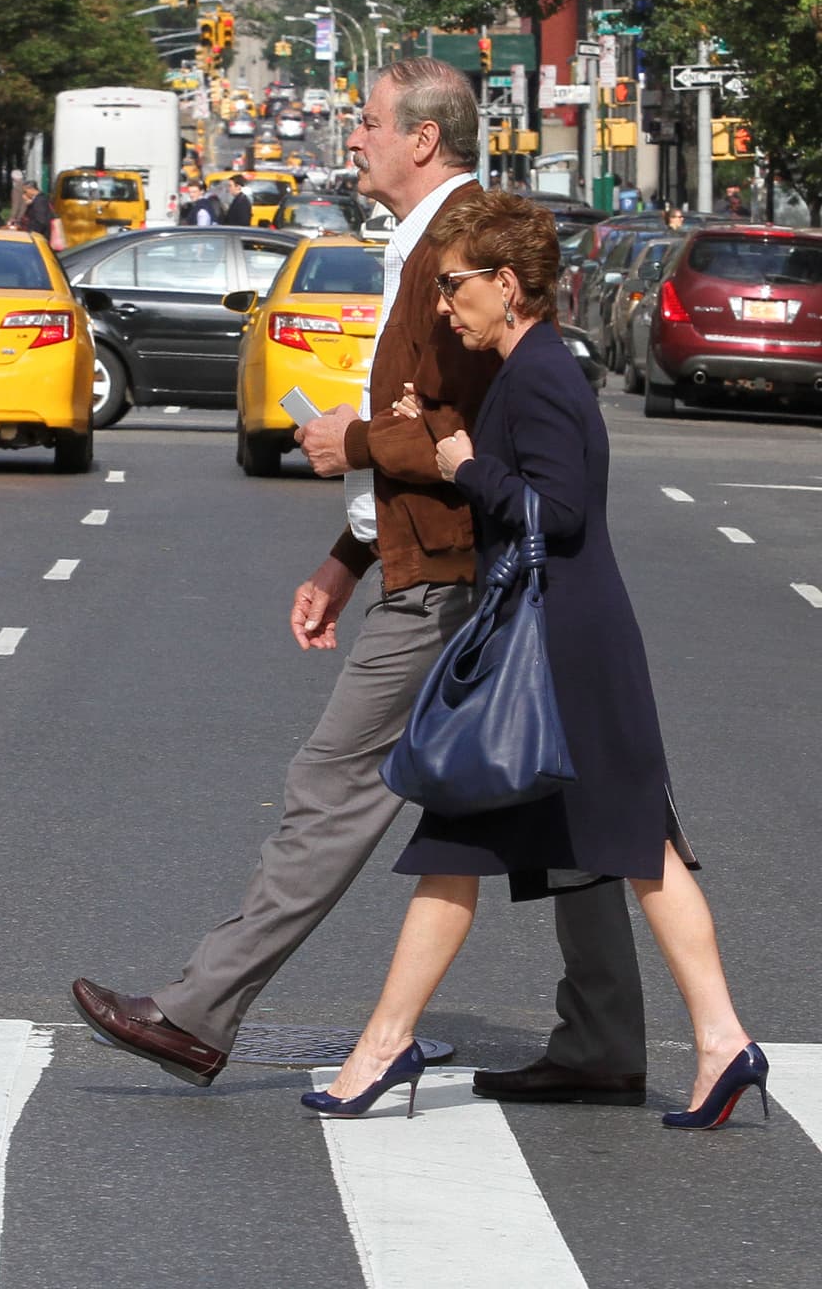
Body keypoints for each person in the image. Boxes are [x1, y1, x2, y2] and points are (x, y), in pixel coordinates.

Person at [72, 62, 648, 1100]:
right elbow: (437, 416)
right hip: (438, 556)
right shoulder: (430, 242)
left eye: (369, 123)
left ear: (422, 140)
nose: (354, 139)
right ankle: (604, 1033)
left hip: (453, 571)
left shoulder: (459, 249)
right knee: (559, 794)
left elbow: (462, 425)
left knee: (331, 783)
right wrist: (344, 558)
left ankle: (199, 1011)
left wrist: (356, 440)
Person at [301, 192, 765, 1130]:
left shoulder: (542, 373)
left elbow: (561, 514)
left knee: (474, 838)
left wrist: (464, 462)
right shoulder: (527, 368)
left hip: (556, 647)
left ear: (507, 287)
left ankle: (384, 1048)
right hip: (566, 638)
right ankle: (722, 1043)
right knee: (633, 846)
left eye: (455, 286)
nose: (442, 306)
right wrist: (444, 444)